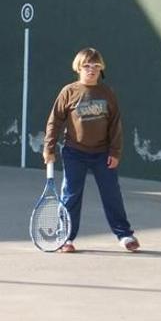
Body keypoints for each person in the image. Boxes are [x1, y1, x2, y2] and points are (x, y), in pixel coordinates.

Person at [42, 47, 139, 253]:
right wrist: (49, 148)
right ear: (78, 68)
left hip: (103, 154)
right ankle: (66, 238)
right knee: (71, 195)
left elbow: (115, 124)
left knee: (112, 194)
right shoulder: (69, 92)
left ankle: (125, 235)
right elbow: (55, 121)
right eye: (86, 66)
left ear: (101, 69)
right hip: (74, 152)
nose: (91, 70)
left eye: (96, 66)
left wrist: (115, 152)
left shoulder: (107, 93)